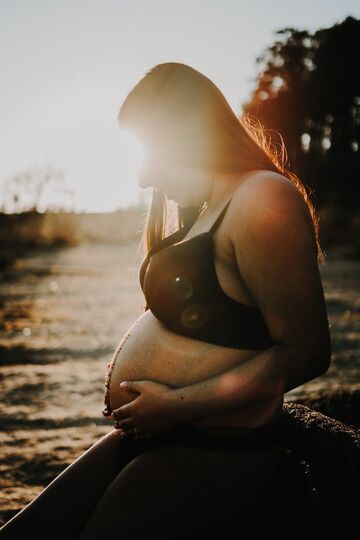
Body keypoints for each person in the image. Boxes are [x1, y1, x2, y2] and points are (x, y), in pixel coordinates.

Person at [0, 62, 331, 539]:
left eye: (150, 151)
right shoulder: (204, 209)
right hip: (161, 431)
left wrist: (176, 403)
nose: (142, 178)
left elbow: (307, 351)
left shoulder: (262, 198)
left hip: (215, 446)